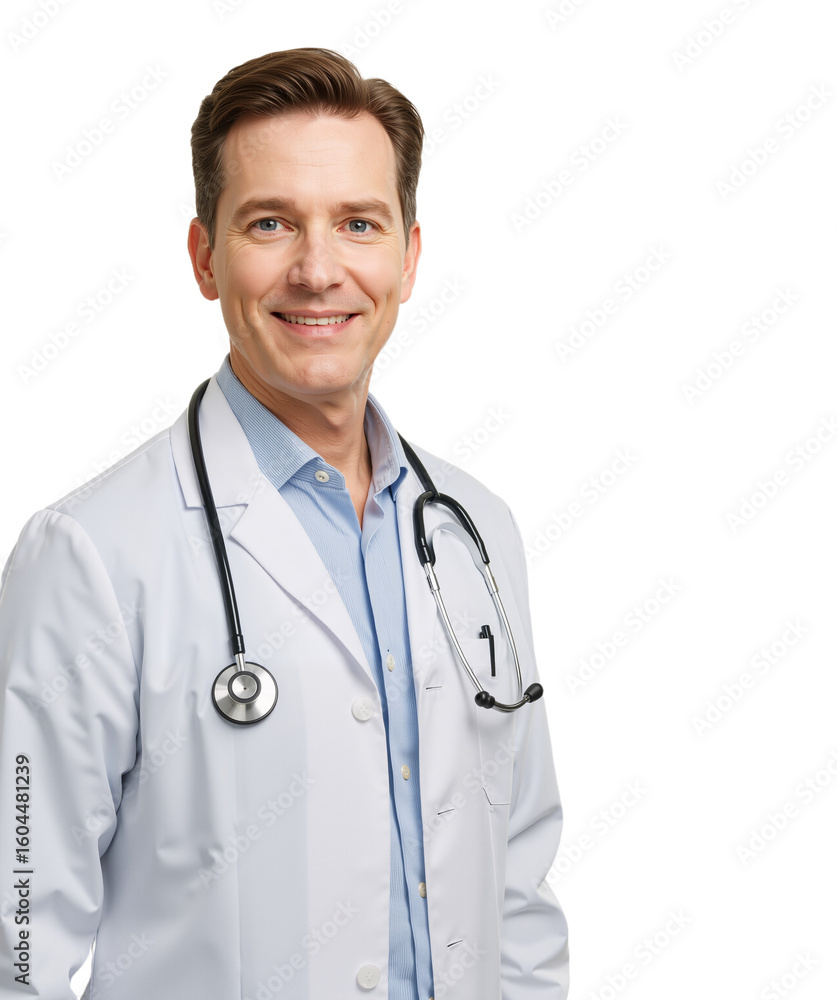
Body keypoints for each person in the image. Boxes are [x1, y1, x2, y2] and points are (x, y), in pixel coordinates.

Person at [0, 48, 569, 999]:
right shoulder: (91, 556)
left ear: (408, 257)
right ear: (204, 256)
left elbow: (517, 875)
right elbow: (15, 937)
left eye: (358, 223)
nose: (318, 270)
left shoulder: (476, 531)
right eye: (271, 223)